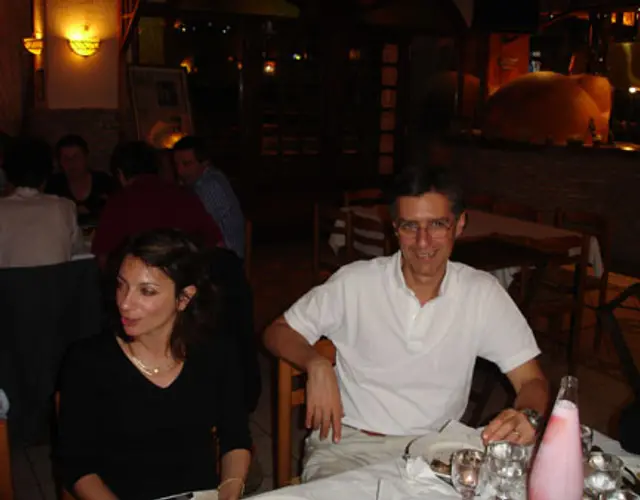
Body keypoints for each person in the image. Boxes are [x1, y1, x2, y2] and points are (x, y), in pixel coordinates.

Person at [263, 164, 549, 482]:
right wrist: (315, 363)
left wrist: (527, 416)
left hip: (438, 452)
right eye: (410, 226)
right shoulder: (355, 283)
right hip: (349, 448)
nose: (422, 242)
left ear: (459, 225)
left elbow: (531, 381)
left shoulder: (481, 293)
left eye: (437, 224)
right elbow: (277, 331)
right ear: (394, 228)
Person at [56, 229, 251, 500]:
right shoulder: (87, 361)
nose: (125, 303)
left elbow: (236, 437)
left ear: (184, 298)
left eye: (146, 291)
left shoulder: (215, 352)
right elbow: (76, 465)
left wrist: (230, 490)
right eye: (121, 285)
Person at [92, 141, 224, 267]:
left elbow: (103, 256)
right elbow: (216, 243)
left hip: (143, 277)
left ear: (120, 174)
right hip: (186, 274)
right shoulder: (184, 195)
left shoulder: (119, 202)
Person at [0, 137, 82, 268]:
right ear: (46, 174)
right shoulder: (64, 207)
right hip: (57, 281)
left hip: (10, 281)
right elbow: (77, 249)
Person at [173, 136, 245, 259]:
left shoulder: (209, 185)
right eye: (176, 165)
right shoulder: (207, 179)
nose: (180, 171)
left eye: (187, 164)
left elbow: (197, 229)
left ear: (205, 163)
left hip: (225, 261)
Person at [45, 134, 118, 226]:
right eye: (66, 158)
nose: (71, 162)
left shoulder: (104, 182)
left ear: (86, 157)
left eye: (76, 156)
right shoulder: (54, 185)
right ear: (59, 162)